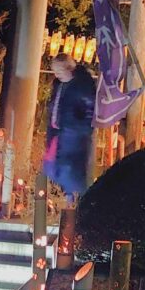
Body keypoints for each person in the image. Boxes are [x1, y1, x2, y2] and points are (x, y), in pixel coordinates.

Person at [43, 52, 97, 195]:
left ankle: (72, 200)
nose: (57, 74)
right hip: (58, 136)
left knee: (70, 177)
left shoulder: (83, 85)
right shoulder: (59, 84)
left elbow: (90, 115)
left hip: (74, 139)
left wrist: (76, 129)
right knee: (51, 171)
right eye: (55, 71)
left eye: (60, 70)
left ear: (69, 68)